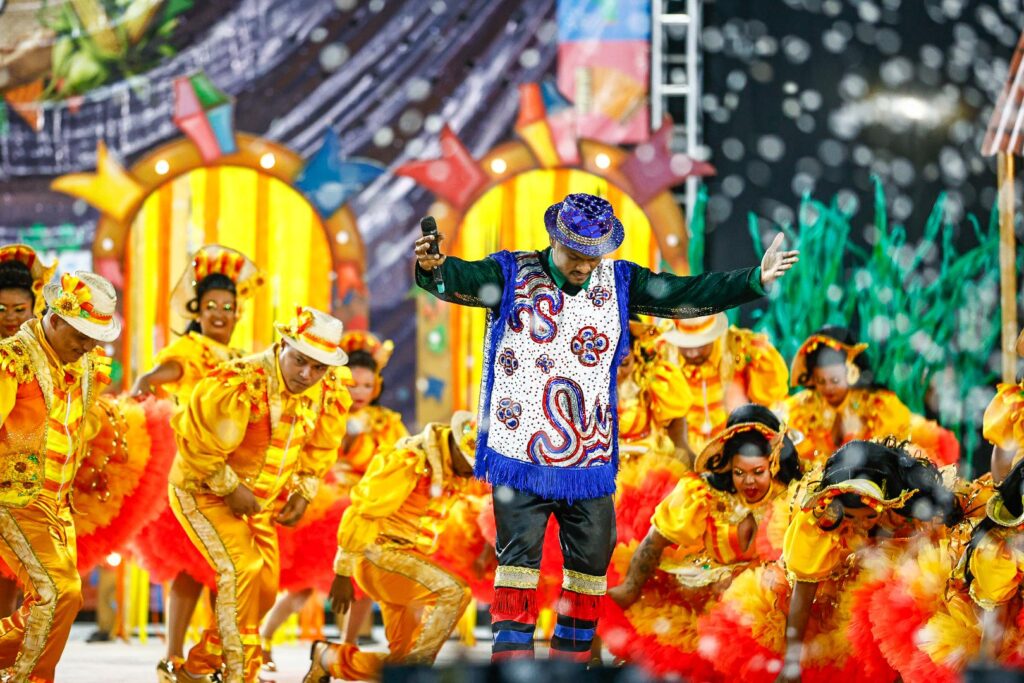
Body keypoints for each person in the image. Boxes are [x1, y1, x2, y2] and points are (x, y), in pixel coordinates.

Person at [413, 192, 798, 661]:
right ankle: (512, 671)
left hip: (588, 460)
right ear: (554, 239)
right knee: (517, 570)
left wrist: (752, 279)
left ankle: (570, 668)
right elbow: (460, 278)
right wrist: (436, 268)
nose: (582, 267)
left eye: (592, 257)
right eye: (574, 256)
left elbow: (683, 293)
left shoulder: (618, 281)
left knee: (591, 568)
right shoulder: (511, 272)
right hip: (520, 458)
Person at [168, 306, 351, 683]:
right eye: (300, 360)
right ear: (283, 344)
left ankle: (196, 670)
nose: (307, 374)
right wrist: (230, 488)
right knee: (243, 571)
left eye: (318, 367)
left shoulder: (327, 390)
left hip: (258, 503)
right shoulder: (239, 381)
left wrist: (303, 489)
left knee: (265, 591)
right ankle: (240, 673)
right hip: (202, 489)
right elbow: (197, 442)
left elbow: (318, 450)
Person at [701, 438, 961, 682]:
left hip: (889, 557)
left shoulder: (909, 502)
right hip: (838, 577)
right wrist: (792, 662)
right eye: (851, 516)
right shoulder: (820, 522)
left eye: (868, 515)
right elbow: (802, 594)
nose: (859, 524)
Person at [125, 245, 265, 682]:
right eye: (211, 306)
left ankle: (221, 657)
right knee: (190, 565)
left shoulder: (242, 357)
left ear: (239, 312)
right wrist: (146, 383)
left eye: (228, 306)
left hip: (233, 473)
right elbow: (167, 371)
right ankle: (171, 658)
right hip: (193, 467)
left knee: (228, 571)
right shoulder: (192, 349)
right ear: (197, 310)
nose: (221, 313)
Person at [602, 404, 800, 679]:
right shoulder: (702, 492)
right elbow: (654, 541)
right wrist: (631, 588)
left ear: (774, 463)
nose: (749, 482)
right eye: (739, 472)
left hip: (763, 610)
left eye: (758, 471)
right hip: (704, 599)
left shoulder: (791, 498)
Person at [0, 270, 121, 682]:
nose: (88, 346)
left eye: (94, 337)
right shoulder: (12, 359)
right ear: (54, 317)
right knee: (60, 593)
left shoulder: (83, 365)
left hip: (58, 506)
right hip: (14, 500)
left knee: (58, 605)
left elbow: (76, 430)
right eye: (82, 334)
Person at [262, 331, 407, 669]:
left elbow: (400, 461)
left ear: (377, 387)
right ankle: (265, 637)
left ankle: (348, 647)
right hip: (324, 506)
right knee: (302, 587)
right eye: (353, 384)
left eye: (367, 386)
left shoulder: (385, 423)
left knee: (361, 583)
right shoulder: (323, 410)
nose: (359, 393)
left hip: (363, 509)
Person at [302, 412, 477, 682]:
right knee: (454, 593)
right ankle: (417, 674)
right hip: (380, 554)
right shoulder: (411, 459)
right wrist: (343, 570)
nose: (470, 471)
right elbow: (365, 510)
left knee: (401, 661)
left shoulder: (453, 468)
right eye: (469, 462)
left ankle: (329, 659)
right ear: (454, 444)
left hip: (411, 563)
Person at [780, 326, 958, 469]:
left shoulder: (879, 405)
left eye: (835, 380)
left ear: (852, 372)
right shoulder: (800, 407)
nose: (828, 387)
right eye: (820, 381)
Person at [0, 245, 56, 617]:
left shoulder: (45, 350)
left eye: (19, 310)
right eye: (1, 310)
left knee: (14, 573)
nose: (9, 317)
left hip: (29, 471)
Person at [654, 312, 789, 457]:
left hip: (735, 449)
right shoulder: (662, 354)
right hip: (683, 453)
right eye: (685, 345)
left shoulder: (739, 346)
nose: (693, 353)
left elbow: (770, 398)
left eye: (700, 345)